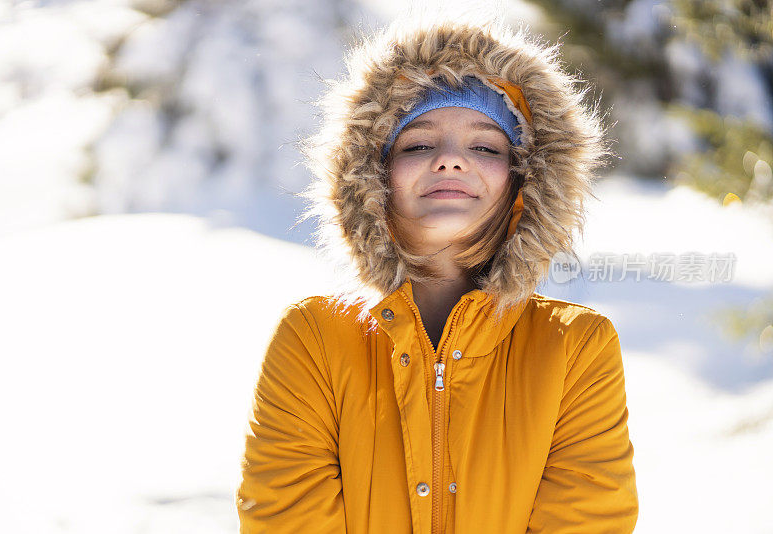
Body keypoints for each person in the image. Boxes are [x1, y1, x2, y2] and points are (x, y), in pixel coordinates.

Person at [236, 13, 639, 534]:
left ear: (525, 182)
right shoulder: (313, 339)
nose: (450, 160)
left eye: (486, 146)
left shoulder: (576, 349)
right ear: (371, 176)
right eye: (419, 144)